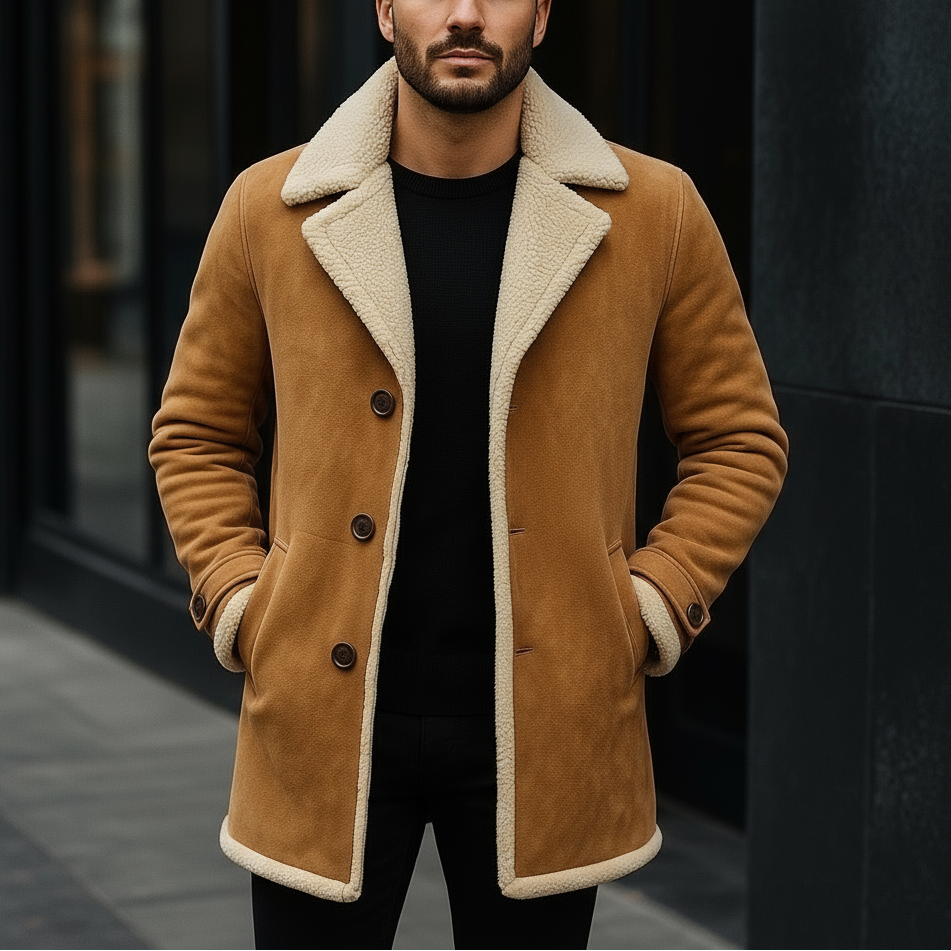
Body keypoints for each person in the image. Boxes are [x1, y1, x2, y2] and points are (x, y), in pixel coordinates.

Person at [149, 1, 788, 948]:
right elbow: (195, 431)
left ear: (540, 13)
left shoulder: (653, 211)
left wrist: (651, 603)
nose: (461, 14)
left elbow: (739, 439)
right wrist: (245, 598)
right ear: (382, 10)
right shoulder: (270, 208)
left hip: (546, 731)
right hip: (324, 725)